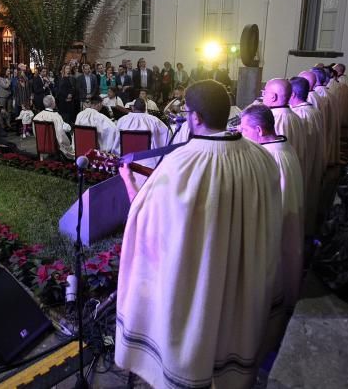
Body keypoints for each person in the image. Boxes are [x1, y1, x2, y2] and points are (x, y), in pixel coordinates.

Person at [116, 80, 282, 388]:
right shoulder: (262, 157)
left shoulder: (181, 163)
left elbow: (146, 221)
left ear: (196, 117)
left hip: (202, 284)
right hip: (241, 286)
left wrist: (128, 179)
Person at [241, 104, 305, 314]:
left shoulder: (270, 158)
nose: (241, 134)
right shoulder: (282, 146)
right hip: (288, 218)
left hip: (276, 226)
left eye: (244, 130)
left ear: (259, 130)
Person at [289, 76, 325, 234]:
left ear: (293, 94)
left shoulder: (300, 115)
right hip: (311, 158)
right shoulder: (311, 110)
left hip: (304, 159)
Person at [262, 78, 308, 177]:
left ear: (273, 97)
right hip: (294, 169)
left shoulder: (273, 119)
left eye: (265, 92)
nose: (263, 96)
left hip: (278, 173)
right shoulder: (296, 116)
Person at [32, 95, 74, 159]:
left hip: (42, 143)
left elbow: (36, 133)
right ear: (53, 103)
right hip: (55, 145)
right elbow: (62, 133)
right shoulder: (56, 117)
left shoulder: (37, 117)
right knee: (70, 136)